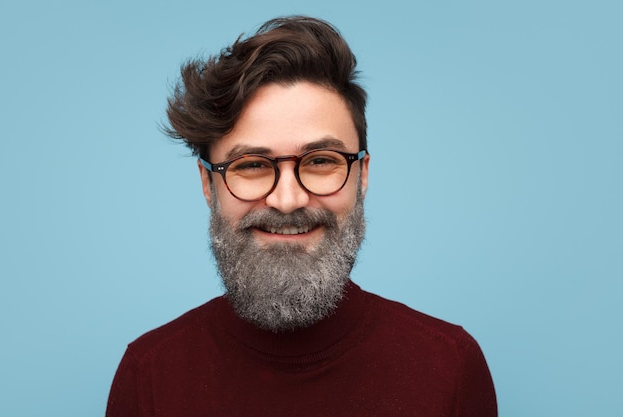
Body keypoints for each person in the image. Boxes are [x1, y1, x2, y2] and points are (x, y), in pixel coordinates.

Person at [106, 16, 497, 416]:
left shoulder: (450, 366)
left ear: (362, 176)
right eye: (252, 165)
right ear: (209, 184)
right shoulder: (149, 374)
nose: (288, 200)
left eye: (321, 161)